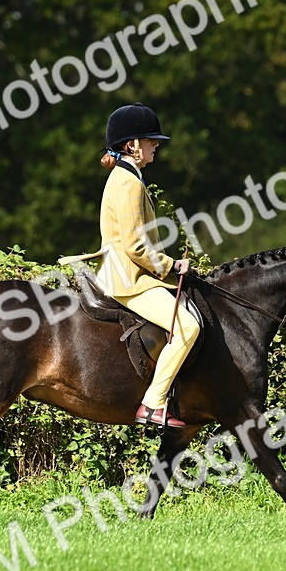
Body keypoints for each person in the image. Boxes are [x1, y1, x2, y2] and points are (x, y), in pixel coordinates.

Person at [93, 102, 200, 429]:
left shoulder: (126, 177)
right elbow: (135, 246)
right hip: (128, 279)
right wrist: (171, 266)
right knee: (188, 326)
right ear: (131, 146)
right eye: (151, 140)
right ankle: (153, 404)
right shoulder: (129, 183)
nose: (157, 145)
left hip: (130, 273)